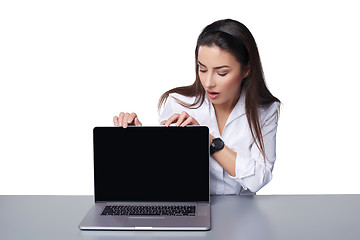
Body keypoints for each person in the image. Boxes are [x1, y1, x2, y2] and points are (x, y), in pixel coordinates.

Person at [113, 19, 280, 195]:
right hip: (188, 210)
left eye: (221, 73)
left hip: (242, 214)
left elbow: (259, 179)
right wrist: (136, 141)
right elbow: (158, 174)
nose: (208, 83)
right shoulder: (179, 103)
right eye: (202, 69)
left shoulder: (265, 111)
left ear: (246, 70)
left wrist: (206, 140)